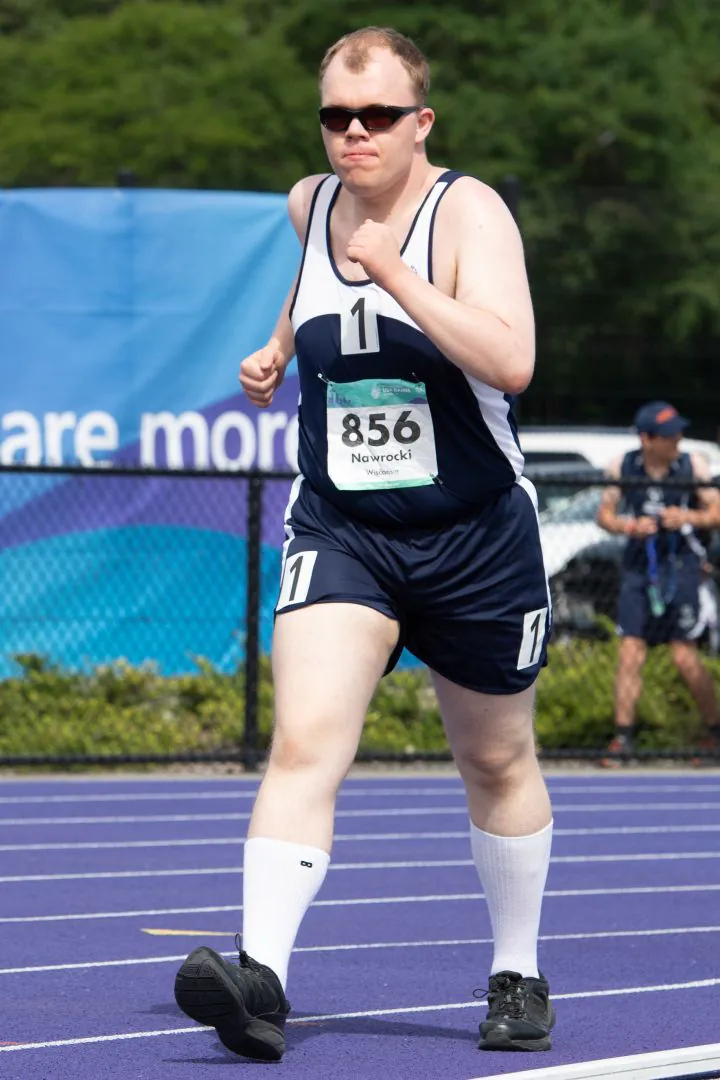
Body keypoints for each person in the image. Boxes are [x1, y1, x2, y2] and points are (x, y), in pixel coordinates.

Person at [173, 26, 555, 1060]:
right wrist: (274, 344)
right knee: (304, 741)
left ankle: (517, 972)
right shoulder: (310, 205)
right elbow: (311, 286)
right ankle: (260, 982)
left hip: (474, 535)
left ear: (419, 122)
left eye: (377, 116)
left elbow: (511, 360)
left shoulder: (464, 212)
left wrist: (395, 274)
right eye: (336, 116)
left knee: (494, 756)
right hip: (346, 529)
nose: (353, 135)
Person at [596, 401, 720, 765]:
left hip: (680, 564)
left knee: (684, 654)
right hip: (640, 566)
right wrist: (629, 526)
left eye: (678, 432)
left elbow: (715, 513)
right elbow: (604, 515)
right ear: (647, 438)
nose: (677, 439)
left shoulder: (691, 464)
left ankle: (715, 732)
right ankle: (623, 739)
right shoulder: (624, 465)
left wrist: (686, 516)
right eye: (668, 435)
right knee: (630, 651)